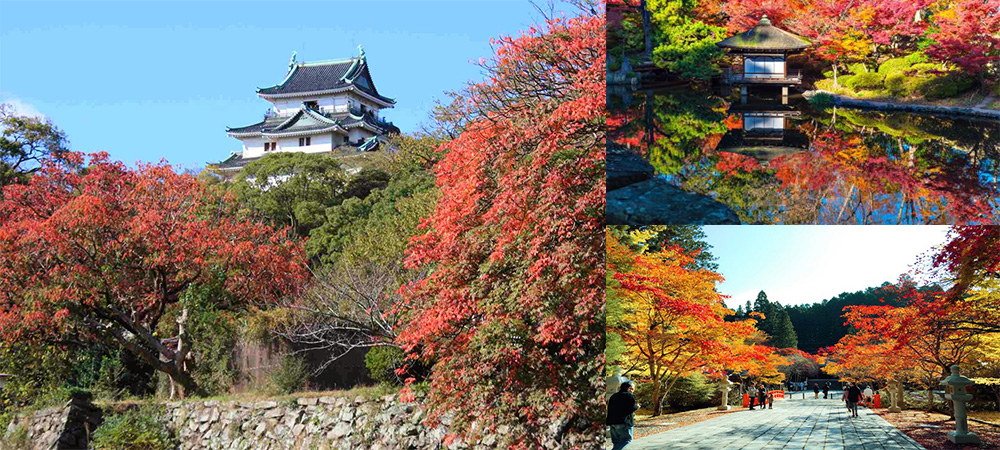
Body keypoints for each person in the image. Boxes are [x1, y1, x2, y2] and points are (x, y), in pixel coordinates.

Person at [607, 381, 639, 450]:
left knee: (617, 443)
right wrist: (637, 406)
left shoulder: (613, 396)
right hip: (624, 422)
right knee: (626, 440)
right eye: (632, 389)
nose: (632, 391)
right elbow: (632, 407)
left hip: (612, 422)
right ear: (629, 388)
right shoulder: (629, 395)